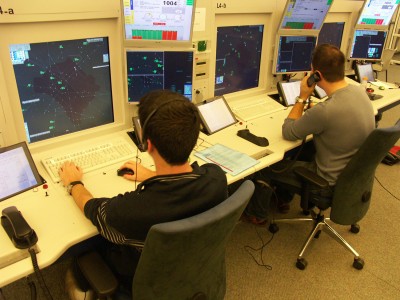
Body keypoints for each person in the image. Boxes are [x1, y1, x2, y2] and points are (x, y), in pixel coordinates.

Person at [59, 90, 228, 288]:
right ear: (195, 136)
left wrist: (74, 184)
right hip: (200, 275)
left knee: (83, 254)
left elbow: (94, 210)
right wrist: (152, 175)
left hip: (149, 284)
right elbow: (183, 182)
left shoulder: (131, 209)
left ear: (148, 145)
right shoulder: (216, 178)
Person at [243, 44, 375, 224]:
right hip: (351, 176)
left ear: (317, 75)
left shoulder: (325, 111)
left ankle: (257, 215)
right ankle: (283, 199)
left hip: (326, 184)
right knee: (303, 150)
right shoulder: (358, 91)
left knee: (266, 167)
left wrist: (302, 97)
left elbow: (289, 132)